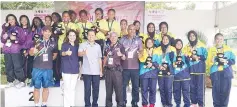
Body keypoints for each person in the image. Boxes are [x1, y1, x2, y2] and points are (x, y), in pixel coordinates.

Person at [29, 26, 57, 107]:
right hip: (37, 68)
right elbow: (31, 53)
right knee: (36, 88)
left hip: (48, 69)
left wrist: (49, 61)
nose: (47, 33)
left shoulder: (53, 42)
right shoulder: (37, 41)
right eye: (46, 31)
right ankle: (36, 105)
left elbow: (55, 54)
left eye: (49, 32)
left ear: (51, 33)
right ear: (42, 32)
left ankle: (44, 104)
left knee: (46, 88)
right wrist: (32, 52)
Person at [206, 33, 235, 107]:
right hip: (215, 73)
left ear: (223, 40)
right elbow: (207, 62)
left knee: (225, 92)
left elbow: (234, 60)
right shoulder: (211, 49)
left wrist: (227, 61)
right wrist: (208, 73)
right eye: (217, 39)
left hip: (226, 73)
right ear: (215, 40)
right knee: (216, 92)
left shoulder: (228, 48)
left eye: (221, 39)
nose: (219, 40)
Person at [120, 24, 143, 107]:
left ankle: (135, 102)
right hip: (124, 67)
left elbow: (141, 50)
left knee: (136, 86)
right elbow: (119, 50)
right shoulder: (122, 39)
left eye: (134, 29)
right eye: (130, 29)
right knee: (123, 86)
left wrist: (140, 54)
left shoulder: (138, 40)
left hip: (135, 67)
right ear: (127, 30)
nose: (132, 31)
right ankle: (123, 101)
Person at [78, 29, 103, 107]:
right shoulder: (82, 44)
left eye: (92, 35)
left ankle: (95, 104)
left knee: (96, 89)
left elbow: (100, 59)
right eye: (89, 35)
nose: (91, 36)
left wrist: (101, 70)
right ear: (87, 36)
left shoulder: (98, 46)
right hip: (86, 71)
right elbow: (79, 54)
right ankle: (87, 105)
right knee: (87, 90)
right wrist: (84, 53)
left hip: (96, 71)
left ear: (95, 36)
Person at [183, 30, 207, 107]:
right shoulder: (186, 46)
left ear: (196, 36)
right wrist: (189, 56)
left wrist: (198, 57)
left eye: (193, 35)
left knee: (200, 88)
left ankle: (201, 104)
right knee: (192, 87)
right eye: (190, 36)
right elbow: (184, 58)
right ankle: (193, 103)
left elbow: (206, 56)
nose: (192, 37)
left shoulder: (202, 45)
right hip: (190, 70)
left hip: (200, 70)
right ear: (188, 37)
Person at [1, 14, 26, 88]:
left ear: (15, 20)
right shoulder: (5, 30)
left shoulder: (19, 29)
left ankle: (21, 81)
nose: (11, 20)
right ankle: (10, 81)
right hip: (7, 50)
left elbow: (22, 40)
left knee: (17, 66)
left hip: (16, 50)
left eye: (12, 19)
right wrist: (6, 37)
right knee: (8, 67)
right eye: (9, 19)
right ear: (7, 21)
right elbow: (2, 40)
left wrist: (15, 38)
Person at [103, 32, 126, 107]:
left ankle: (120, 105)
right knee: (108, 91)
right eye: (112, 36)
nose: (113, 38)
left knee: (118, 91)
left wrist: (121, 55)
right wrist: (103, 69)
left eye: (115, 36)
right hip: (108, 71)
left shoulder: (121, 46)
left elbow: (124, 58)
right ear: (109, 38)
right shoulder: (107, 47)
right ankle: (108, 105)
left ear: (117, 37)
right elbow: (105, 58)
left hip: (117, 71)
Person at [56, 11, 77, 86]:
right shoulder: (59, 24)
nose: (66, 18)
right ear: (62, 17)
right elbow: (57, 32)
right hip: (61, 45)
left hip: (70, 45)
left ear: (69, 17)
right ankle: (62, 76)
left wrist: (67, 29)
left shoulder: (72, 25)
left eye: (67, 16)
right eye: (64, 16)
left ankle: (71, 73)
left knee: (69, 60)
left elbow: (73, 33)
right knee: (61, 61)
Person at [61, 29, 80, 107]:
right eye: (70, 35)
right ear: (68, 36)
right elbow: (61, 53)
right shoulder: (64, 45)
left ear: (76, 36)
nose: (72, 37)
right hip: (66, 70)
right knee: (66, 89)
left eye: (74, 35)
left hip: (75, 70)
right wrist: (66, 53)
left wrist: (80, 71)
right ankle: (67, 105)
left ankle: (72, 104)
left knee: (72, 89)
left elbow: (79, 60)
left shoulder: (77, 46)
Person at [156, 35, 176, 107]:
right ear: (162, 40)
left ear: (169, 40)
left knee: (168, 89)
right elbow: (155, 60)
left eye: (167, 39)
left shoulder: (173, 49)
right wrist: (159, 66)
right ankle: (164, 104)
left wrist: (169, 53)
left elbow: (174, 61)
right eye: (163, 39)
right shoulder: (157, 49)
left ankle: (169, 104)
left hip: (169, 72)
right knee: (162, 89)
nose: (165, 40)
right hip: (160, 71)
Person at [139, 38, 159, 107]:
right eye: (148, 42)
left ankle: (152, 104)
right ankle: (144, 104)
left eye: (151, 42)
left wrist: (152, 63)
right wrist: (147, 54)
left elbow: (158, 62)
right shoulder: (142, 51)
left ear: (153, 43)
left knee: (153, 89)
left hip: (153, 73)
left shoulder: (156, 51)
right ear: (145, 43)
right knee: (144, 89)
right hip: (144, 73)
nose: (149, 43)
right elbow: (140, 60)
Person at [173, 39, 191, 107]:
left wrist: (187, 57)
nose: (179, 45)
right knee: (176, 91)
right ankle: (177, 104)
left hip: (185, 76)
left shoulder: (185, 53)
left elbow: (189, 63)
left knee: (186, 91)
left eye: (180, 43)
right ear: (175, 45)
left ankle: (187, 104)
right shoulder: (172, 53)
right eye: (177, 43)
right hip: (176, 75)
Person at [19, 15, 33, 85]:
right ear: (20, 21)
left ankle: (29, 79)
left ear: (27, 20)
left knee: (28, 65)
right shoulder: (18, 29)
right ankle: (22, 80)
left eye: (25, 19)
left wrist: (27, 51)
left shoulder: (30, 30)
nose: (24, 21)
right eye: (22, 20)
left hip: (29, 51)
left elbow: (30, 41)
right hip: (20, 50)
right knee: (21, 66)